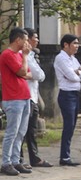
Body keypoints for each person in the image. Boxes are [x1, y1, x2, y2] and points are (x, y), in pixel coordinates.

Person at [1, 27, 33, 176]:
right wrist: (25, 58)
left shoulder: (19, 55)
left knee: (21, 132)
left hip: (24, 97)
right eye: (26, 40)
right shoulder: (8, 55)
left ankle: (15, 160)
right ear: (18, 40)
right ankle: (5, 162)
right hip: (13, 99)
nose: (27, 43)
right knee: (11, 132)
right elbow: (22, 72)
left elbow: (29, 74)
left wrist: (24, 67)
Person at [54, 34, 81, 166]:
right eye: (74, 43)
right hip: (66, 95)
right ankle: (64, 157)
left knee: (73, 125)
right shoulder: (61, 58)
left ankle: (66, 155)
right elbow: (71, 77)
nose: (77, 46)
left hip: (75, 94)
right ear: (66, 45)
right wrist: (78, 73)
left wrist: (77, 72)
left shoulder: (73, 58)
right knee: (68, 125)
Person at [23, 28, 51, 168]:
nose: (37, 40)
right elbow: (36, 74)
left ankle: (34, 158)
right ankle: (19, 159)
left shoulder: (32, 55)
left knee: (31, 130)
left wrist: (37, 75)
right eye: (35, 37)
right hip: (25, 96)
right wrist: (37, 75)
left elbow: (41, 75)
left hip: (33, 97)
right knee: (22, 131)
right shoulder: (24, 56)